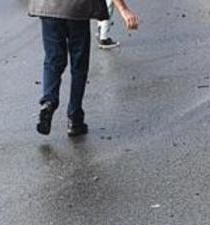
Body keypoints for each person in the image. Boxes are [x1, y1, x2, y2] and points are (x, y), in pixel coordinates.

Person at [29, 0, 140, 137]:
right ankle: (75, 119)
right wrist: (124, 10)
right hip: (77, 8)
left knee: (53, 59)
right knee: (79, 65)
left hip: (48, 7)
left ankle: (49, 101)